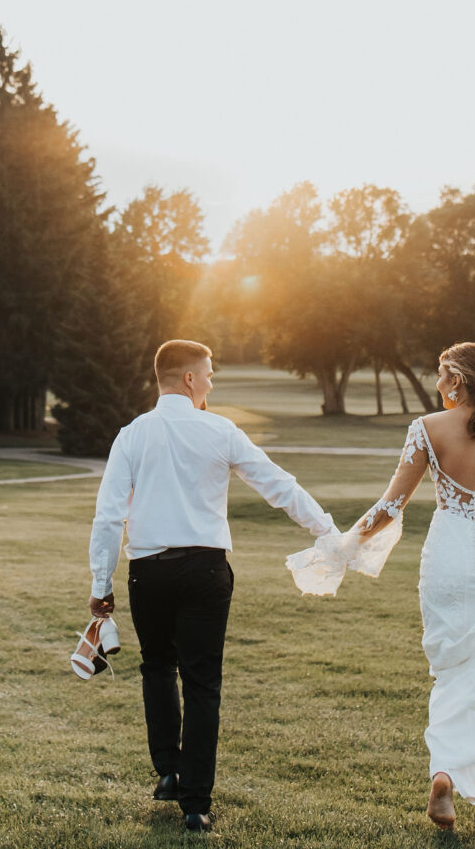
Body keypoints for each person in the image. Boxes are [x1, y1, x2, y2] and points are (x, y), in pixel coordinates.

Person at [287, 341, 475, 830]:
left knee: (454, 669)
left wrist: (346, 544)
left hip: (448, 557)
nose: (437, 382)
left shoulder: (425, 428)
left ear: (457, 380)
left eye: (442, 373)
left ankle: (445, 772)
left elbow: (390, 506)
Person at [87, 339, 339, 833]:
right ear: (188, 379)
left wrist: (101, 583)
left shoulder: (132, 435)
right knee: (202, 683)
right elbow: (278, 485)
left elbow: (109, 515)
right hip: (205, 572)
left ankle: (168, 770)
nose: (210, 383)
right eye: (207, 374)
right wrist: (327, 530)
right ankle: (196, 804)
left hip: (148, 572)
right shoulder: (220, 430)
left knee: (157, 667)